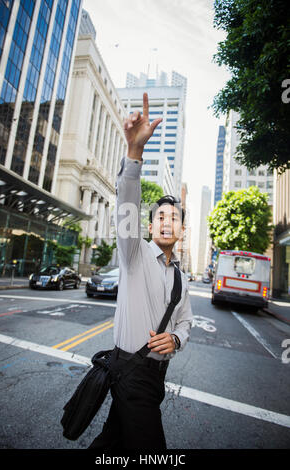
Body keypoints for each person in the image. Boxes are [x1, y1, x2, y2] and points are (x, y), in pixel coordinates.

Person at [88, 93, 193, 450]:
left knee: (111, 443)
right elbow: (127, 202)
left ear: (181, 230)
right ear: (148, 228)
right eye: (160, 217)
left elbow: (186, 323)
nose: (167, 222)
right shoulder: (133, 253)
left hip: (156, 378)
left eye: (174, 217)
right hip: (128, 374)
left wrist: (176, 339)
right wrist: (134, 154)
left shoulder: (181, 275)